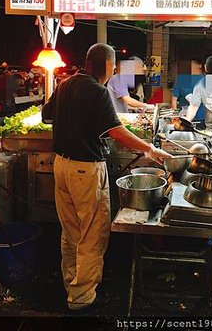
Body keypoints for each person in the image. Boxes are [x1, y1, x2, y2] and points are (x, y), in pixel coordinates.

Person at [42, 43, 171, 312]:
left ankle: (72, 284)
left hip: (61, 166)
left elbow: (46, 116)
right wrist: (149, 148)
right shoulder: (98, 91)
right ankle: (82, 299)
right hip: (85, 170)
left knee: (70, 231)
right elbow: (116, 131)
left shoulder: (66, 83)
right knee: (92, 234)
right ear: (108, 65)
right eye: (113, 66)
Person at [171, 60, 205, 124]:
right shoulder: (181, 78)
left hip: (199, 117)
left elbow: (174, 99)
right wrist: (175, 116)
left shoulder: (205, 79)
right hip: (185, 117)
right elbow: (174, 99)